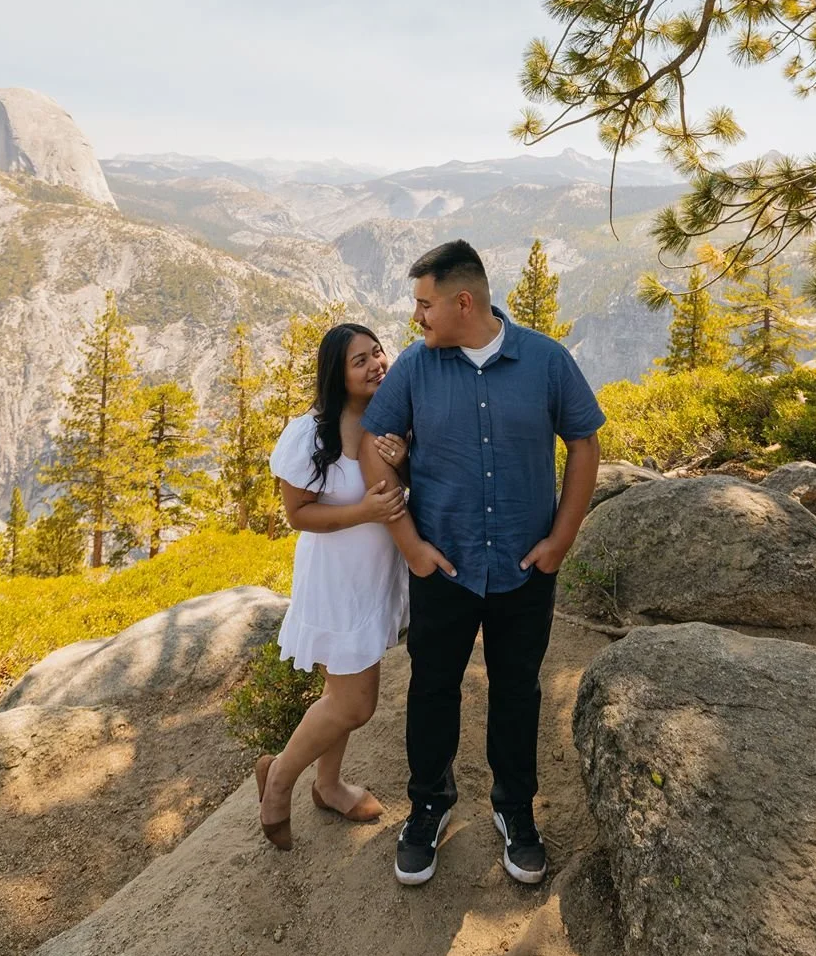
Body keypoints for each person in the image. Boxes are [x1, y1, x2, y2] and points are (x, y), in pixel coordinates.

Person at [358, 240, 604, 888]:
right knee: (432, 689)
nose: (416, 319)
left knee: (518, 692)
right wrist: (408, 541)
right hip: (443, 567)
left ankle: (514, 811)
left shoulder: (547, 362)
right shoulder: (415, 367)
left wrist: (563, 538)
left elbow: (585, 443)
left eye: (424, 304)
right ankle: (429, 809)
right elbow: (371, 450)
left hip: (525, 569)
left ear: (462, 301)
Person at [256, 323, 410, 850]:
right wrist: (364, 509)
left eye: (377, 352)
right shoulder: (310, 433)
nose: (375, 364)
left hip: (374, 577)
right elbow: (297, 514)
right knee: (355, 704)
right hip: (336, 583)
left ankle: (328, 785)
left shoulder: (389, 420)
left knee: (339, 694)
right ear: (336, 375)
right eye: (359, 360)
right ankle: (279, 778)